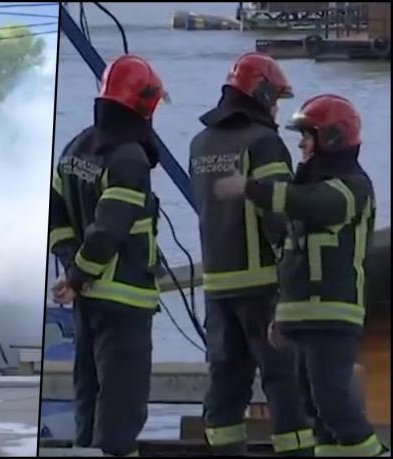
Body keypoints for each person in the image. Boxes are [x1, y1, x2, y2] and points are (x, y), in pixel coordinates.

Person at [216, 94, 389, 457]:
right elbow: (291, 257)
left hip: (333, 315)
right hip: (299, 317)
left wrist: (252, 188)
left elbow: (311, 205)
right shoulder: (305, 185)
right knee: (315, 413)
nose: (301, 145)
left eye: (308, 136)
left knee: (334, 404)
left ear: (332, 139)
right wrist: (280, 312)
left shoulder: (352, 187)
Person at [188, 52, 313, 455]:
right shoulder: (264, 142)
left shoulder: (200, 144)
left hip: (216, 286)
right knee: (284, 381)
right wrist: (295, 270)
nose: (276, 109)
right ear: (260, 94)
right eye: (275, 99)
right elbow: (279, 214)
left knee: (225, 382)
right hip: (263, 287)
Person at [49, 54, 167, 457]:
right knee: (121, 412)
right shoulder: (129, 158)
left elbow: (57, 215)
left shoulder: (76, 147)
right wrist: (78, 274)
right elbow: (111, 229)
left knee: (89, 401)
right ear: (145, 105)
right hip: (124, 302)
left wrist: (71, 267)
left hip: (88, 304)